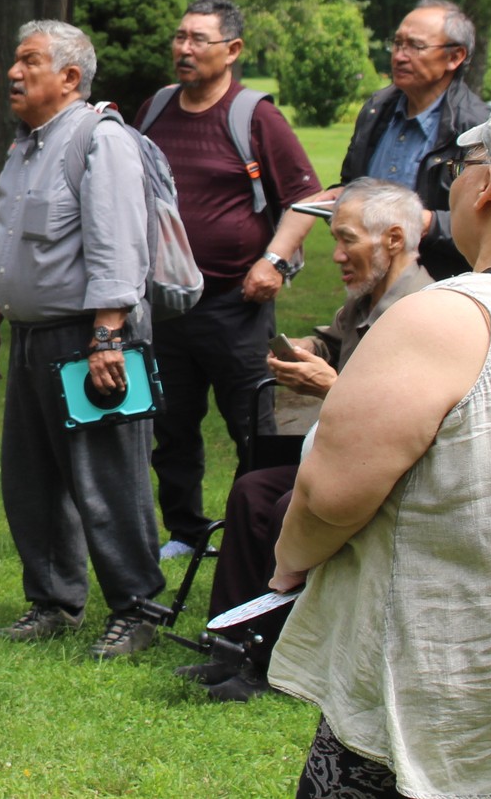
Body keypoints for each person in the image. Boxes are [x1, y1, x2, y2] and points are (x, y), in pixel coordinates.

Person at [269, 95, 491, 799]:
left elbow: (328, 493)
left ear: (489, 183)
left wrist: (288, 560)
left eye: (464, 166)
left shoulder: (446, 315)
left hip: (431, 683)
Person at [182, 179, 432, 702]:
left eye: (347, 241)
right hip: (346, 459)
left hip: (394, 478)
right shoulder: (370, 297)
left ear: (391, 240)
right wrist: (305, 347)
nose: (336, 255)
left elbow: (406, 420)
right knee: (253, 491)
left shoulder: (421, 311)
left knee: (287, 506)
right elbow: (336, 337)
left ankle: (274, 659)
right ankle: (230, 644)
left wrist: (333, 387)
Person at [0, 20, 165, 659]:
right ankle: (54, 602)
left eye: (29, 61)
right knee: (31, 480)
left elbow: (118, 241)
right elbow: (8, 240)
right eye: (14, 60)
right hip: (36, 337)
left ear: (69, 77)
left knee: (107, 478)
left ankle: (136, 608)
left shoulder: (99, 138)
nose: (13, 72)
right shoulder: (25, 145)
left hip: (90, 337)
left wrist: (107, 337)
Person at [137, 0, 323, 559]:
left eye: (199, 40)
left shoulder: (254, 116)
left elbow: (306, 197)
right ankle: (186, 532)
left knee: (251, 422)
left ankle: (259, 530)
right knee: (170, 425)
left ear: (233, 50)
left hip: (234, 304)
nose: (184, 49)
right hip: (166, 304)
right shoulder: (155, 109)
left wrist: (274, 260)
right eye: (180, 37)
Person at [336, 0, 491, 279]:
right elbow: (350, 182)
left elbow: (488, 228)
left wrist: (425, 223)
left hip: (439, 293)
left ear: (454, 57)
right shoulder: (377, 110)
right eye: (397, 44)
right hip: (369, 287)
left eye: (415, 46)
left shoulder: (476, 129)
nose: (399, 56)